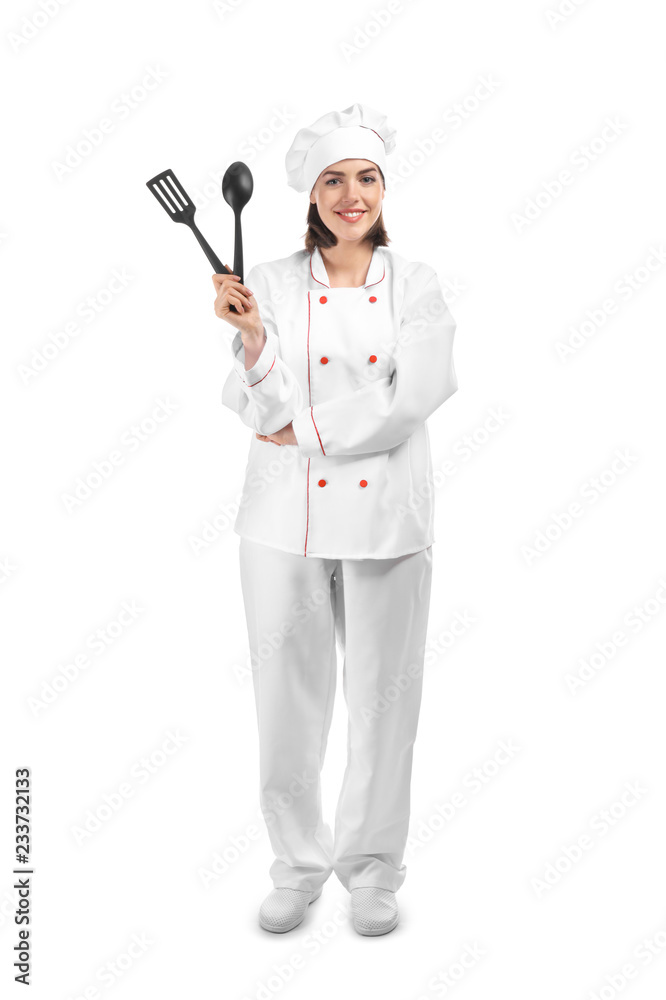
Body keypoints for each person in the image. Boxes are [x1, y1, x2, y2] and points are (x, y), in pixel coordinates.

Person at [214, 103, 458, 936]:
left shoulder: (415, 283)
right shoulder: (273, 283)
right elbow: (259, 406)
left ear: (383, 190)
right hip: (281, 521)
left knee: (385, 703)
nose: (351, 195)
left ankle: (372, 871)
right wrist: (252, 341)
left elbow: (416, 397)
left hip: (390, 517)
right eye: (333, 180)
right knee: (285, 702)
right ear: (309, 195)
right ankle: (297, 864)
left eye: (366, 179)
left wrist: (309, 429)